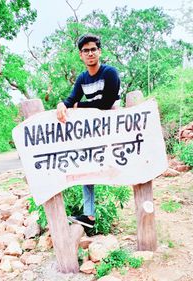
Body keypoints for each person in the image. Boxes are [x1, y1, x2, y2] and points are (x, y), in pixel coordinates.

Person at [57, 34, 120, 232]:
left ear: (99, 51)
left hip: (115, 129)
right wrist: (63, 104)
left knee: (122, 167)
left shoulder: (110, 73)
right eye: (86, 50)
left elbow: (106, 104)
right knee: (86, 166)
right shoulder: (82, 78)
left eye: (93, 49)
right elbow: (71, 99)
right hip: (96, 131)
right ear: (81, 55)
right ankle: (89, 214)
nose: (90, 53)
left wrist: (79, 105)